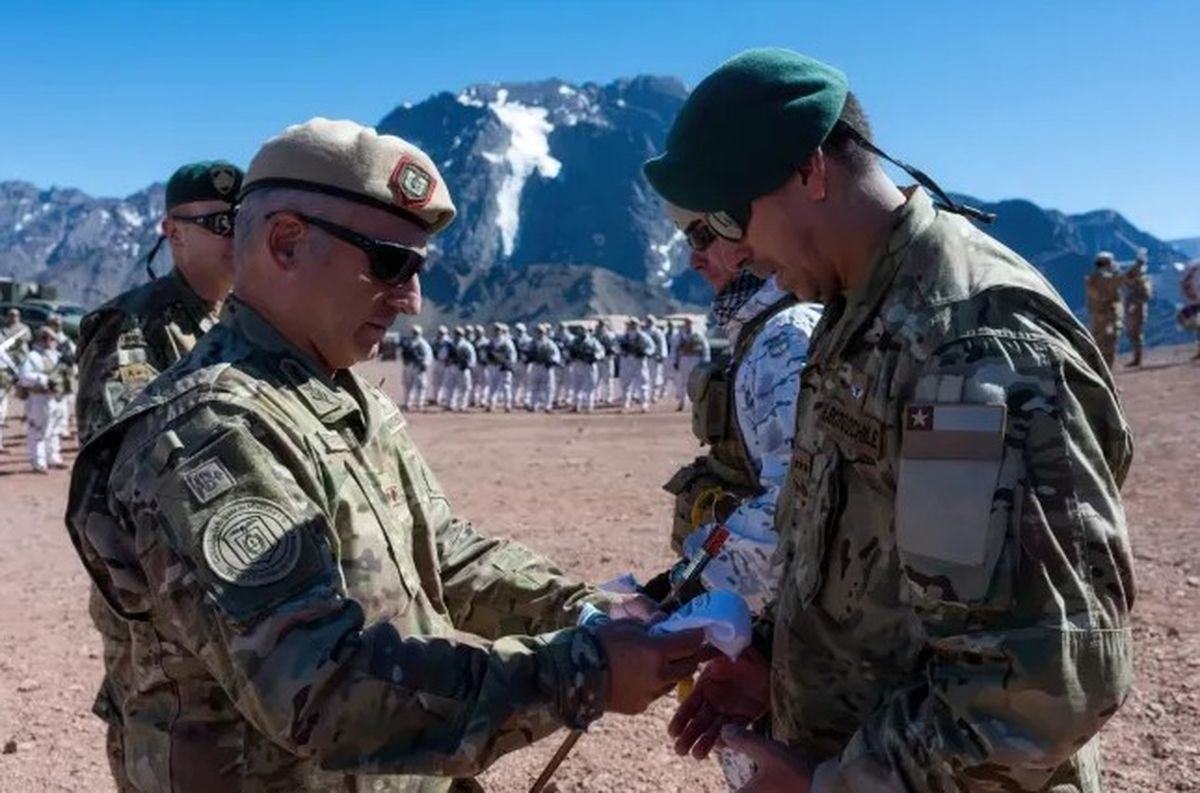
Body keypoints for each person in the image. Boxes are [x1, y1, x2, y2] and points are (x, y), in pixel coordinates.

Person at [66, 118, 705, 793]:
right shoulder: (209, 430)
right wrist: (583, 669)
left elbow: (445, 553)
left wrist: (582, 609)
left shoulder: (340, 396)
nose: (412, 299)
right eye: (391, 263)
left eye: (420, 268)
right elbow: (319, 687)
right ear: (285, 242)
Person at [645, 49, 1133, 791]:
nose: (734, 250)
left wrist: (831, 785)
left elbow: (1039, 684)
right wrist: (774, 663)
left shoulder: (970, 347)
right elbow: (867, 558)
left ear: (810, 172)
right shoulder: (856, 312)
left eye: (729, 218)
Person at [75, 160, 243, 444]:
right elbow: (117, 456)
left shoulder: (249, 318)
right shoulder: (128, 325)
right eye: (224, 223)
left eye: (246, 221)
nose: (240, 236)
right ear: (175, 233)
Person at [18, 326, 69, 472]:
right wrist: (43, 379)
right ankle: (38, 461)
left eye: (52, 338)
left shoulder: (58, 355)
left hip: (57, 397)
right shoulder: (33, 356)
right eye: (45, 338)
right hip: (39, 398)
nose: (49, 341)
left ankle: (53, 457)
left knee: (54, 429)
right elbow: (24, 376)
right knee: (38, 430)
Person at [0, 308, 31, 453]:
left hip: (21, 362)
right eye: (11, 315)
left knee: (27, 392)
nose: (13, 317)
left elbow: (24, 341)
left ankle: (26, 414)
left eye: (16, 315)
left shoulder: (24, 329)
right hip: (8, 365)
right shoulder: (4, 330)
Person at [1085, 251, 1123, 367]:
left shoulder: (1093, 277)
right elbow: (1118, 281)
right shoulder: (1103, 277)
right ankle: (1106, 377)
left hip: (1098, 316)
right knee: (1109, 345)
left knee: (1098, 343)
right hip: (1107, 317)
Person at [671, 317, 710, 412]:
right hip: (684, 358)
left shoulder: (698, 334)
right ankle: (682, 402)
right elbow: (674, 349)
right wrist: (675, 361)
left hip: (695, 358)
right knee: (683, 381)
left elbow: (705, 348)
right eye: (686, 323)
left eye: (690, 323)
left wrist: (705, 360)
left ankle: (696, 403)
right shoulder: (679, 335)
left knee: (696, 381)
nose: (688, 325)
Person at [1122, 250, 1152, 366]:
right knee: (1132, 333)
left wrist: (1134, 302)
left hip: (1137, 309)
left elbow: (1146, 295)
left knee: (1136, 333)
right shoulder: (1137, 281)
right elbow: (1126, 279)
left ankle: (1137, 358)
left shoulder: (1143, 282)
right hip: (1132, 308)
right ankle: (1136, 357)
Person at [619, 317, 653, 412]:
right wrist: (623, 351)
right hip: (627, 360)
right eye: (630, 324)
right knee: (626, 382)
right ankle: (626, 403)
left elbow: (651, 347)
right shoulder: (624, 337)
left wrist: (644, 352)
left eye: (633, 324)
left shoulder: (643, 336)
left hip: (639, 361)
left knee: (643, 382)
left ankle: (644, 404)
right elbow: (617, 346)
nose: (631, 326)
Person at [570, 324, 606, 413]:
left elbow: (601, 351)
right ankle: (576, 405)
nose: (581, 332)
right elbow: (569, 351)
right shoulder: (575, 341)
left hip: (589, 365)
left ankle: (589, 406)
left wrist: (595, 357)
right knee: (576, 385)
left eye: (583, 330)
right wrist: (572, 356)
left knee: (590, 386)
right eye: (580, 330)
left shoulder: (593, 341)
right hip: (578, 364)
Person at [528, 322, 561, 412]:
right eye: (537, 331)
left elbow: (556, 354)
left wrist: (552, 361)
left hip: (546, 367)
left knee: (549, 387)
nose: (539, 333)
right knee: (534, 386)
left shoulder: (549, 343)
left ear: (544, 332)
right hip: (535, 365)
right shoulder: (532, 343)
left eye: (541, 331)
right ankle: (533, 405)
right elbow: (527, 353)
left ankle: (547, 406)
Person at [402, 325, 433, 412]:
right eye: (414, 332)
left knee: (421, 386)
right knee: (408, 385)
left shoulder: (423, 343)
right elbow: (404, 353)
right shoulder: (408, 342)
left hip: (418, 366)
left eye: (416, 332)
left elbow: (428, 355)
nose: (414, 333)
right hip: (409, 366)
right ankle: (408, 403)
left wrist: (425, 364)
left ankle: (420, 404)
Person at [488, 322, 518, 412]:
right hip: (494, 366)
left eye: (498, 330)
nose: (496, 332)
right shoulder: (492, 342)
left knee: (506, 386)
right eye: (495, 330)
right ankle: (492, 403)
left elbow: (513, 355)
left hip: (504, 366)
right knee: (493, 385)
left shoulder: (507, 342)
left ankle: (507, 404)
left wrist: (509, 364)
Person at [447, 325, 476, 412]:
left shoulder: (467, 345)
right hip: (453, 367)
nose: (457, 335)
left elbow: (472, 357)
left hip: (464, 368)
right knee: (452, 386)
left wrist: (469, 366)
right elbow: (446, 355)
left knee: (465, 387)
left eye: (459, 334)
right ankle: (451, 404)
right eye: (456, 333)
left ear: (462, 335)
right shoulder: (451, 345)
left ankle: (462, 405)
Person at [594, 317, 620, 405]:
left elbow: (616, 348)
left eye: (602, 324)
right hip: (597, 359)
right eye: (600, 324)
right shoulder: (595, 335)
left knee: (608, 379)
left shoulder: (611, 335)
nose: (601, 326)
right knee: (596, 378)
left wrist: (612, 351)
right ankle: (597, 396)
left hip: (608, 359)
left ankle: (609, 397)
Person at [646, 314, 669, 402]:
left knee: (656, 376)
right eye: (648, 321)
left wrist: (662, 355)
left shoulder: (658, 332)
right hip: (647, 357)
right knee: (647, 376)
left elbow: (662, 344)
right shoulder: (644, 332)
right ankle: (647, 395)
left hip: (656, 357)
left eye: (650, 321)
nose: (649, 322)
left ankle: (654, 395)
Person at [512, 321, 534, 407]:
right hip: (517, 362)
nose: (518, 332)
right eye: (517, 330)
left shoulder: (529, 340)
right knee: (515, 381)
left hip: (526, 363)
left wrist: (528, 359)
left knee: (527, 382)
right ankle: (515, 398)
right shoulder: (513, 340)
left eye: (520, 330)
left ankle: (527, 399)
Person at [431, 324, 452, 406]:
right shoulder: (434, 341)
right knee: (436, 381)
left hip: (445, 364)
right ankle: (436, 398)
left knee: (445, 382)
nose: (440, 334)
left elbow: (452, 353)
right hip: (437, 362)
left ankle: (444, 397)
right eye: (439, 333)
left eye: (442, 333)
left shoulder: (449, 342)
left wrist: (449, 361)